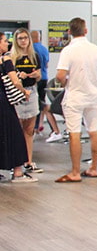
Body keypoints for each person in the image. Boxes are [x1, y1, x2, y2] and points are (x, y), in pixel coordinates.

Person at [55, 17, 97, 183]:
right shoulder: (96, 50)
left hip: (75, 97)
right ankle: (94, 168)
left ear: (69, 32)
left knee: (74, 133)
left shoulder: (68, 51)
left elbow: (60, 75)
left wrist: (67, 84)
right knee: (93, 130)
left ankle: (75, 172)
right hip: (93, 96)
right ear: (85, 31)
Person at [1, 34, 36, 183]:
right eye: (4, 41)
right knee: (15, 133)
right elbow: (15, 81)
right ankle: (18, 172)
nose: (7, 43)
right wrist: (24, 92)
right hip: (4, 102)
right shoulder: (5, 59)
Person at [11, 28, 43, 175]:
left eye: (25, 38)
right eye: (20, 38)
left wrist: (36, 75)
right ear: (16, 40)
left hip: (32, 91)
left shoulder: (35, 56)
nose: (23, 41)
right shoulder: (11, 57)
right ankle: (16, 163)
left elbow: (39, 75)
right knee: (17, 129)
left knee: (29, 130)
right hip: (17, 93)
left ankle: (28, 161)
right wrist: (19, 76)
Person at [31, 30, 61, 142]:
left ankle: (35, 127)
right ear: (39, 38)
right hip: (44, 78)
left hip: (35, 79)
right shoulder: (44, 49)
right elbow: (47, 65)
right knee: (41, 102)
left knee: (35, 103)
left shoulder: (30, 49)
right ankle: (39, 125)